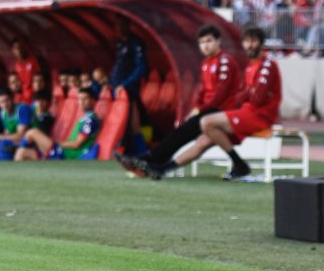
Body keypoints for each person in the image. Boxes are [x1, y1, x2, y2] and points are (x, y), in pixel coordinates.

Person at [118, 25, 243, 179]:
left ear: (218, 41)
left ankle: (149, 159)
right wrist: (196, 108)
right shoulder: (206, 63)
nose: (205, 45)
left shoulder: (225, 61)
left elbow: (220, 95)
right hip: (209, 111)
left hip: (222, 111)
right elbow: (202, 91)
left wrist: (200, 110)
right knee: (181, 132)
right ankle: (153, 162)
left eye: (209, 41)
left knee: (183, 132)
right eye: (202, 42)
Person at [168, 27, 281, 180]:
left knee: (206, 122)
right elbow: (245, 95)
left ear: (261, 43)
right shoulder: (250, 66)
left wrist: (248, 95)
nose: (250, 45)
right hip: (248, 112)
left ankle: (240, 164)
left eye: (253, 41)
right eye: (247, 41)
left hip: (260, 116)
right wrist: (249, 94)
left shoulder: (267, 65)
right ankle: (163, 168)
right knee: (204, 140)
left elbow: (257, 99)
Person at [110, 18, 148, 156]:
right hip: (118, 90)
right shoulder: (120, 43)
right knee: (129, 124)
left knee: (132, 124)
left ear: (127, 25)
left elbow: (141, 68)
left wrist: (126, 84)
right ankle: (136, 154)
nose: (118, 28)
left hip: (128, 91)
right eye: (116, 25)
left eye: (120, 25)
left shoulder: (135, 43)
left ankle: (142, 154)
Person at [55, 87, 100, 159]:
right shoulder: (85, 118)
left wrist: (57, 144)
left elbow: (76, 144)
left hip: (71, 155)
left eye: (85, 99)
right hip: (66, 152)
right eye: (79, 99)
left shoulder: (90, 121)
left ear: (93, 100)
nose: (81, 102)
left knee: (33, 133)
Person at [15, 90, 57, 161]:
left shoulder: (48, 118)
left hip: (42, 149)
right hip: (31, 145)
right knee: (20, 152)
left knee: (31, 132)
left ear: (48, 103)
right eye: (37, 101)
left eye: (43, 101)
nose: (40, 103)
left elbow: (40, 134)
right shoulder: (32, 113)